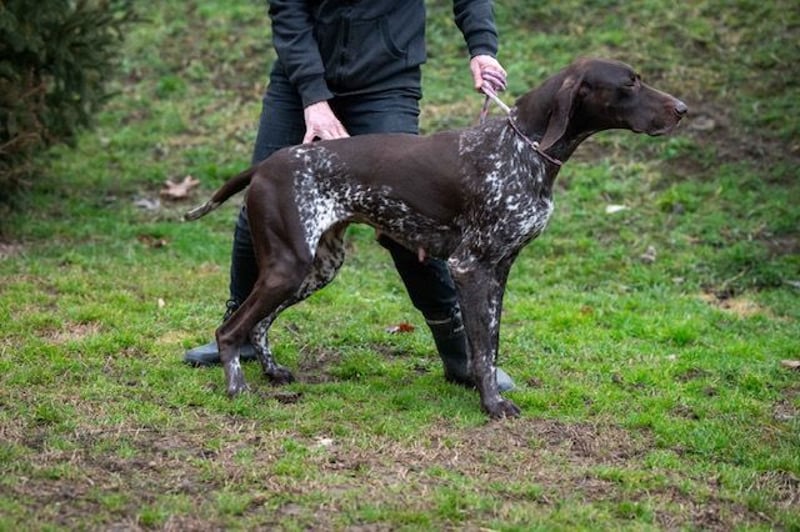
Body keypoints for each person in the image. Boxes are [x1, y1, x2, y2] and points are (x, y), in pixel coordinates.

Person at [184, 0, 514, 392]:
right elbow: (288, 8)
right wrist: (313, 97)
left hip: (386, 83)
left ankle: (459, 349)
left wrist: (482, 48)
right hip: (298, 82)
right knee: (262, 205)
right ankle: (240, 327)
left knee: (412, 221)